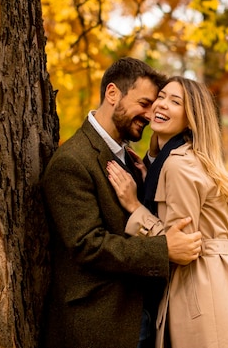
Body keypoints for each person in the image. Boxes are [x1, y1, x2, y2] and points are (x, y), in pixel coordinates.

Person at [40, 58, 203, 348]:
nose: (149, 113)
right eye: (144, 103)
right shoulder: (72, 161)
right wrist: (163, 249)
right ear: (113, 94)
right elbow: (87, 245)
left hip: (137, 315)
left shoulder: (128, 159)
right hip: (98, 324)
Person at [107, 76, 228, 348]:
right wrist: (150, 173)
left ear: (192, 117)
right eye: (161, 97)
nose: (161, 104)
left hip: (195, 292)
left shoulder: (178, 167)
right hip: (213, 287)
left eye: (175, 102)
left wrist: (134, 206)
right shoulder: (182, 159)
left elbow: (182, 248)